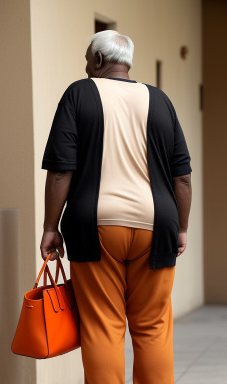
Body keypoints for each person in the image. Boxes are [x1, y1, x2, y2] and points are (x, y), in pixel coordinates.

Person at [40, 30, 192, 384]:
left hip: (94, 229)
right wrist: (181, 227)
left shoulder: (79, 93)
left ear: (96, 60)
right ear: (128, 62)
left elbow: (62, 169)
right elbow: (182, 178)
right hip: (157, 227)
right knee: (153, 326)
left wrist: (51, 226)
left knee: (102, 326)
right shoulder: (160, 100)